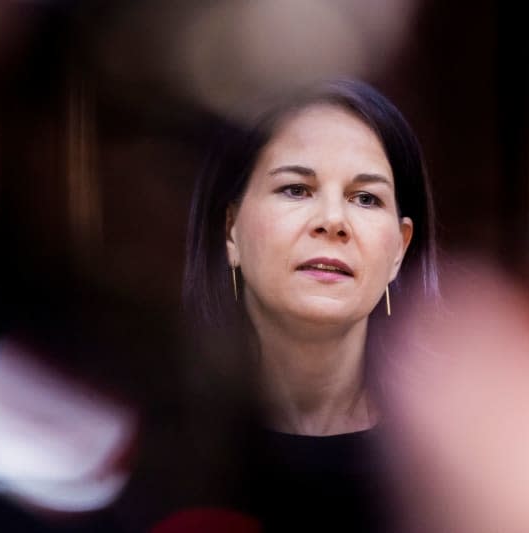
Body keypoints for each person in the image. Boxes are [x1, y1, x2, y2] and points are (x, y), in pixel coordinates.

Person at [181, 79, 439, 531]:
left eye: (365, 198)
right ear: (229, 231)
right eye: (296, 189)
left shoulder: (446, 459)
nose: (333, 221)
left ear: (399, 250)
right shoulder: (167, 454)